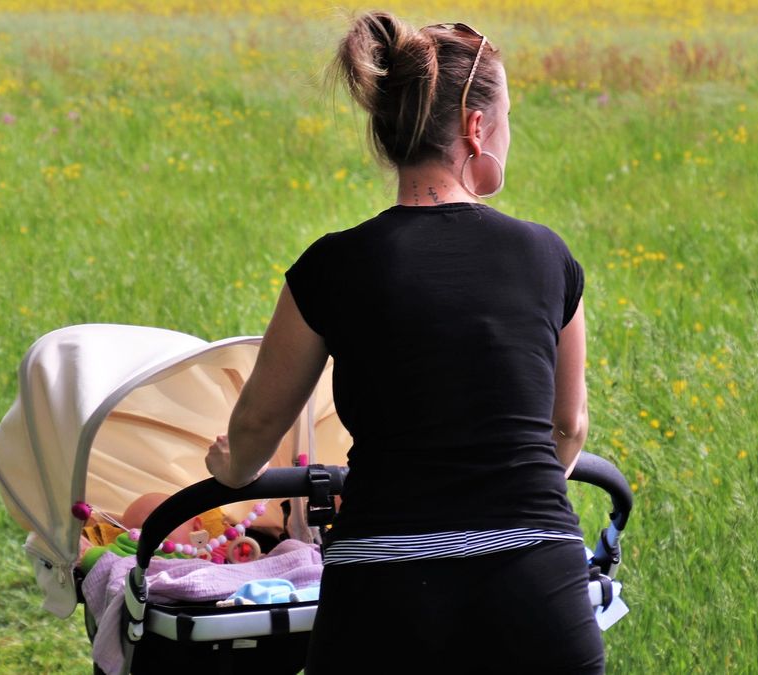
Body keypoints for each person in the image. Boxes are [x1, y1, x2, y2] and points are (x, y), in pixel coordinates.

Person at [205, 11, 604, 673]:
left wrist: (234, 469)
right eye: (508, 115)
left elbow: (259, 420)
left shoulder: (331, 266)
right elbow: (568, 425)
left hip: (384, 594)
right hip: (537, 588)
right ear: (477, 129)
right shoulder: (548, 257)